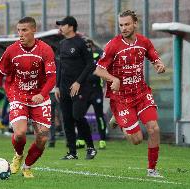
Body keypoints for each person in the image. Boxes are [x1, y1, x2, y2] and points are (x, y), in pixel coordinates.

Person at [94, 10, 166, 177]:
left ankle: (152, 170)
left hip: (141, 93)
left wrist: (159, 64)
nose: (124, 28)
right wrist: (114, 79)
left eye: (127, 24)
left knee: (154, 129)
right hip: (122, 98)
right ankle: (119, 118)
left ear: (135, 24)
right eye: (121, 25)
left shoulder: (144, 42)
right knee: (137, 139)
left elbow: (154, 56)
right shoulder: (113, 45)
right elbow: (98, 70)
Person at [0, 17, 56, 178]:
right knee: (19, 133)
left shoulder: (45, 50)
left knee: (43, 137)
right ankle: (18, 156)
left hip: (40, 97)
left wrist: (42, 94)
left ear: (34, 30)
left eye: (24, 30)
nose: (20, 34)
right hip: (18, 94)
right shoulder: (11, 50)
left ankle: (27, 166)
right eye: (18, 30)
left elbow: (52, 77)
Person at [55, 16, 97, 160]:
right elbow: (60, 66)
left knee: (78, 116)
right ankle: (72, 152)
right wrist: (57, 86)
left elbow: (90, 64)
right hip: (64, 87)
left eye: (62, 25)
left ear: (71, 27)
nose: (60, 27)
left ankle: (90, 147)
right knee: (67, 119)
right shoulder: (61, 44)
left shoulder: (82, 42)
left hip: (80, 87)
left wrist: (78, 82)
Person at [76, 39, 107, 150]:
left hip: (96, 91)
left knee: (99, 116)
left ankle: (102, 139)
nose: (88, 48)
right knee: (79, 115)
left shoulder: (98, 57)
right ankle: (80, 139)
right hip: (84, 92)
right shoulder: (81, 58)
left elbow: (99, 73)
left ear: (93, 46)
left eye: (89, 45)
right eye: (86, 46)